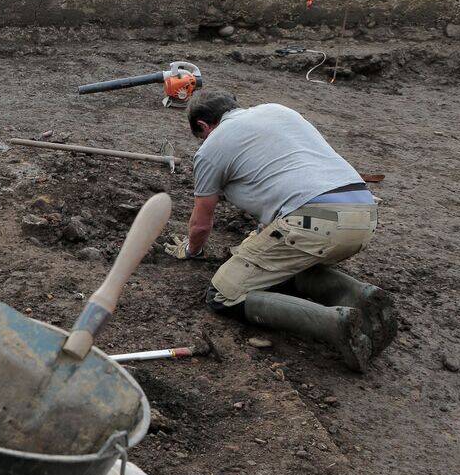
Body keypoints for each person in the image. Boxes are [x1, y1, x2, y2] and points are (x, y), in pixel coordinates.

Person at [164, 91, 396, 371]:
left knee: (224, 295)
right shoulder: (278, 110)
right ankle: (360, 295)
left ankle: (334, 322)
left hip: (314, 222)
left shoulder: (212, 147)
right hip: (364, 214)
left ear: (203, 126)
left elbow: (201, 224)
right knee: (281, 266)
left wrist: (192, 251)